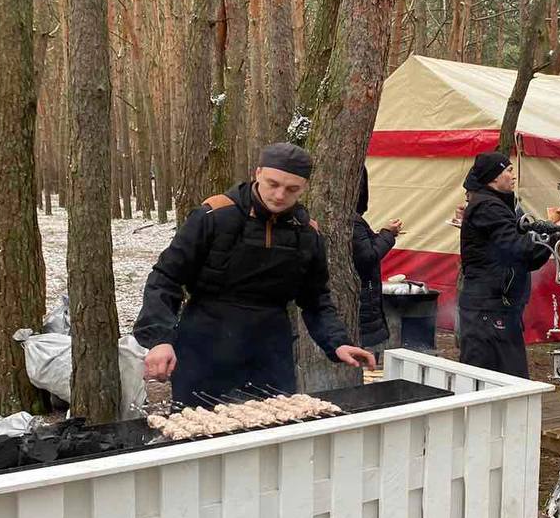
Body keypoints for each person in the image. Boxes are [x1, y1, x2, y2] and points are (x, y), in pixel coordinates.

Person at [134, 142, 376, 403]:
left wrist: (337, 342)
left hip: (270, 353)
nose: (280, 195)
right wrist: (160, 339)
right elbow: (165, 279)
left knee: (273, 434)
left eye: (292, 189)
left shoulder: (307, 235)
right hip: (203, 347)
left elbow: (316, 300)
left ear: (304, 187)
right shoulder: (214, 216)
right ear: (257, 173)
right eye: (273, 184)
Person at [456, 151, 560, 378]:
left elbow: (529, 259)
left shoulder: (499, 206)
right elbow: (518, 248)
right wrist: (551, 236)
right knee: (489, 380)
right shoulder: (487, 208)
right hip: (486, 311)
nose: (514, 175)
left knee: (503, 379)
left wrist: (549, 234)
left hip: (498, 309)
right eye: (509, 170)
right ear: (494, 177)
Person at [352, 167, 402, 354]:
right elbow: (368, 256)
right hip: (362, 294)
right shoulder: (352, 221)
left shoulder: (352, 220)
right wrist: (387, 234)